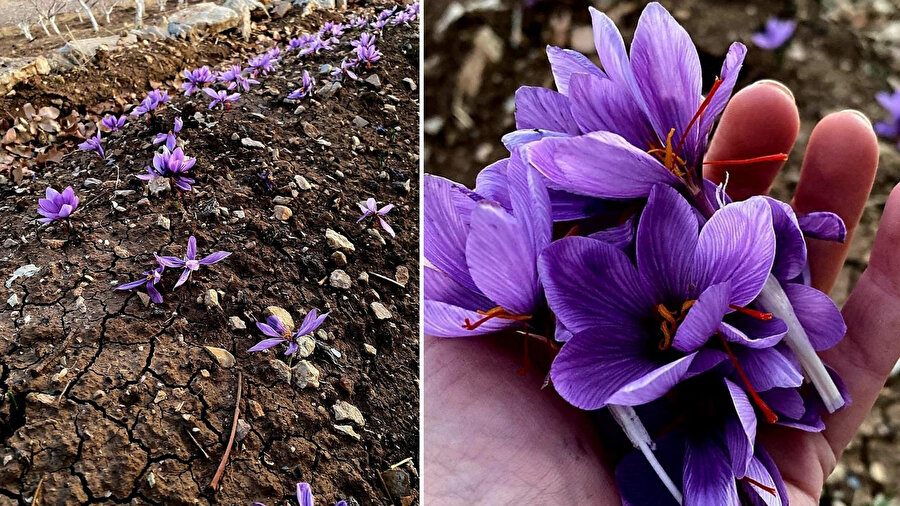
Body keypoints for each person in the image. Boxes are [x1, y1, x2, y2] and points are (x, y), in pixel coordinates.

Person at [424, 80, 893, 505]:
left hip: (707, 345)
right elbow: (570, 276)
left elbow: (665, 223)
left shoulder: (662, 214)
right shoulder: (570, 272)